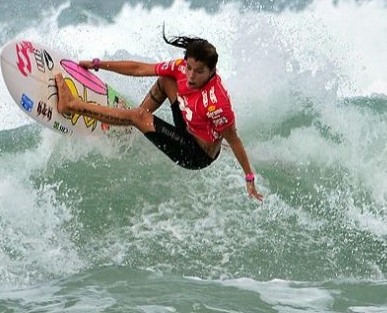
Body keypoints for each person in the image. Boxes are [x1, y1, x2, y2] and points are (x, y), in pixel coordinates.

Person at [55, 31, 263, 201]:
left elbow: (234, 139)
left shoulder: (217, 104)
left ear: (212, 71)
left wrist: (249, 176)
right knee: (166, 80)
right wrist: (97, 64)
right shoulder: (181, 69)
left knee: (138, 117)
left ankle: (72, 105)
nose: (190, 76)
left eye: (199, 72)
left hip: (196, 154)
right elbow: (139, 68)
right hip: (189, 126)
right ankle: (133, 120)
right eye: (189, 67)